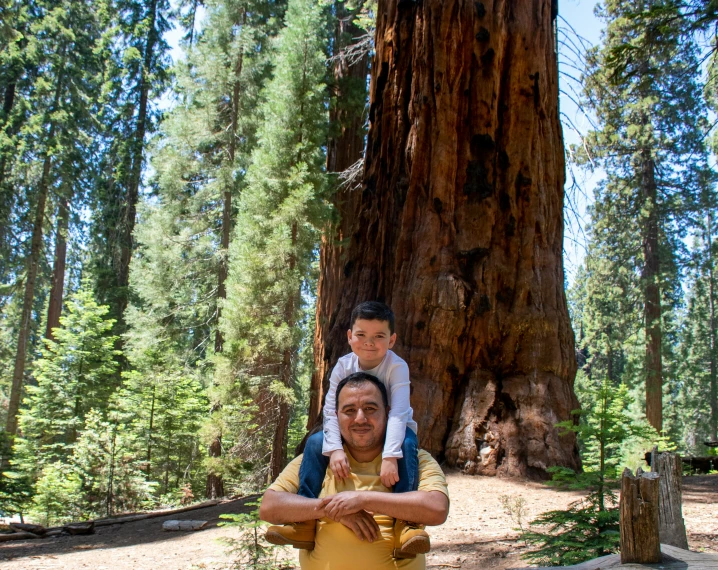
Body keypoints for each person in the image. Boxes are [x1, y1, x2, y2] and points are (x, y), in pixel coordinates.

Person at [266, 301, 426, 556]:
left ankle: (407, 526)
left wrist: (389, 455)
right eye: (361, 335)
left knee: (408, 444)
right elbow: (331, 410)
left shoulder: (397, 367)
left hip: (393, 429)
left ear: (392, 340)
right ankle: (304, 522)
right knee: (316, 442)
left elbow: (397, 412)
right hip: (352, 427)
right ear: (350, 337)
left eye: (379, 336)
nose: (369, 343)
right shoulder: (343, 365)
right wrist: (335, 449)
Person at [260, 372, 449, 570]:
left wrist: (363, 499)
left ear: (387, 413)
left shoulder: (413, 459)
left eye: (370, 408)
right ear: (335, 417)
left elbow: (436, 509)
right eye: (349, 410)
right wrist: (335, 510)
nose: (360, 419)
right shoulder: (316, 459)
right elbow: (270, 507)